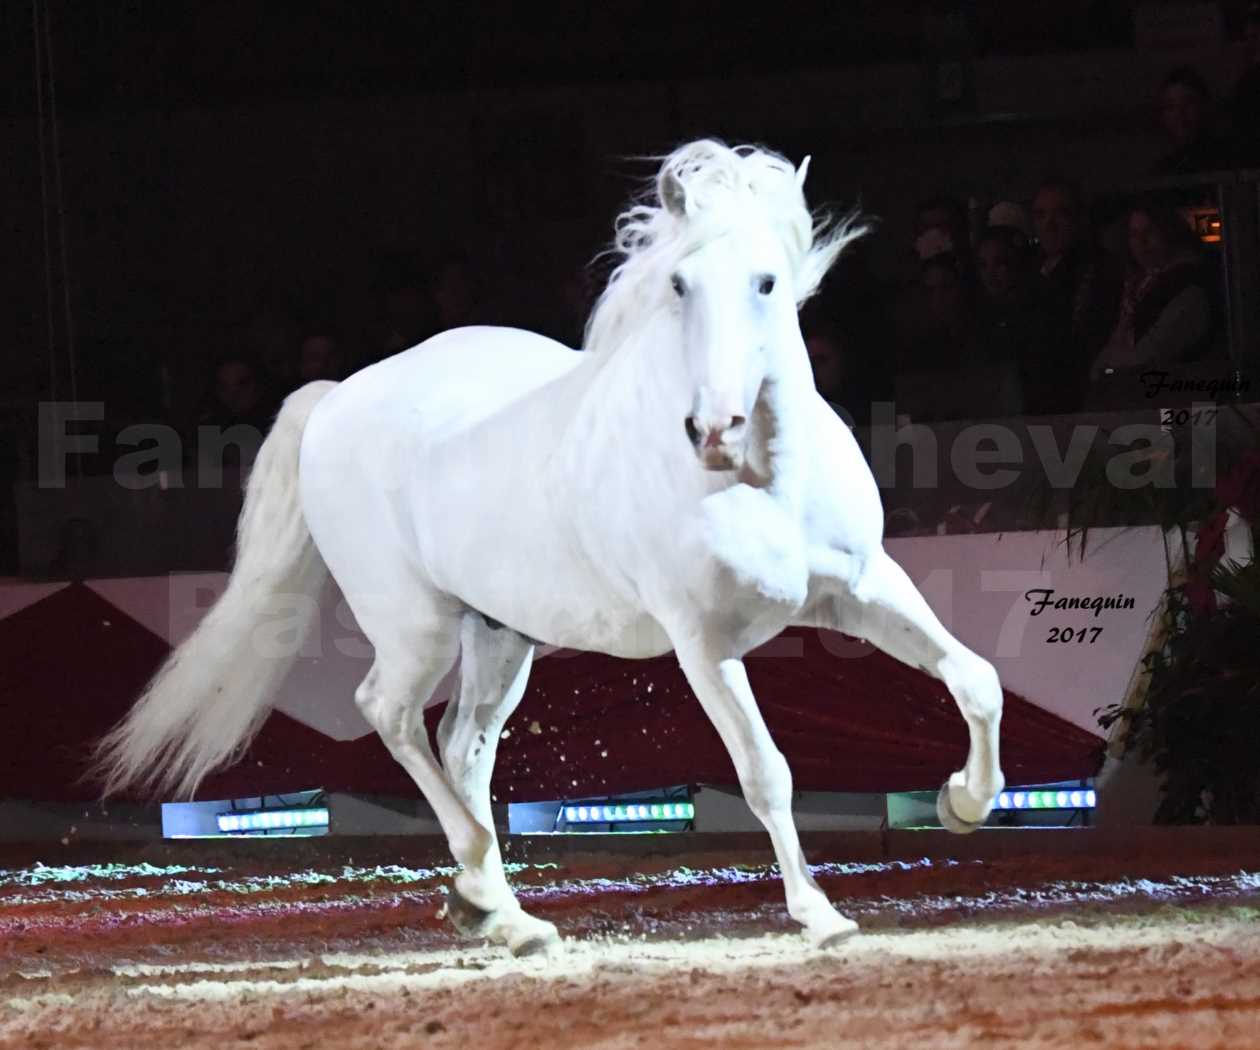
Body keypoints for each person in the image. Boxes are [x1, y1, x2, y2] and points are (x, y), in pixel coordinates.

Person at [1088, 201, 1216, 403]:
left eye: (1150, 231)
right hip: (1148, 398)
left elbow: (1149, 354)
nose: (1141, 241)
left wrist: (1105, 371)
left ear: (1170, 233)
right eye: (1133, 234)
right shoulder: (1138, 286)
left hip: (1183, 402)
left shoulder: (1187, 286)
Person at [1029, 178, 1114, 412]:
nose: (1049, 224)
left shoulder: (1100, 271)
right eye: (1040, 215)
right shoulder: (1029, 271)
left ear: (1078, 218)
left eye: (1061, 214)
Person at [1151, 65, 1235, 175]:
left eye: (1188, 103)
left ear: (1204, 106)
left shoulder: (1226, 159)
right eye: (1171, 106)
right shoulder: (1164, 170)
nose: (1179, 114)